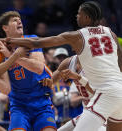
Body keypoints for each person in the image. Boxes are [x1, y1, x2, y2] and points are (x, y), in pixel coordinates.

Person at [7, 1, 122, 131]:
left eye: (79, 14)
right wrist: (47, 81)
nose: (76, 16)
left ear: (87, 18)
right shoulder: (110, 33)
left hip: (105, 95)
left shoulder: (78, 35)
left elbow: (38, 42)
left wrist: (8, 40)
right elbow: (121, 63)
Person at [0, 11, 57, 131]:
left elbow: (39, 68)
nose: (19, 21)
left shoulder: (31, 40)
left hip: (41, 102)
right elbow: (5, 88)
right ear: (5, 28)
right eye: (14, 20)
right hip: (19, 106)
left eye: (19, 19)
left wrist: (12, 56)